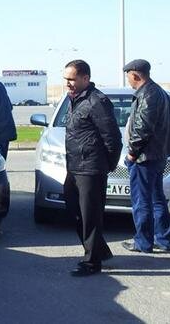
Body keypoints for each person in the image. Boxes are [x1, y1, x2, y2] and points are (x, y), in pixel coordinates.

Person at [63, 60, 122, 277]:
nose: (68, 83)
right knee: (72, 207)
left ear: (85, 78)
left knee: (90, 216)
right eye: (66, 79)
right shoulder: (75, 99)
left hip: (92, 168)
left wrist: (107, 165)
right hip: (75, 167)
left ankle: (91, 262)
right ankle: (99, 249)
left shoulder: (97, 101)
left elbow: (113, 138)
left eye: (72, 79)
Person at [121, 59, 170, 253]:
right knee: (156, 198)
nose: (129, 81)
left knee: (141, 201)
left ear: (135, 75)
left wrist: (133, 153)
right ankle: (163, 239)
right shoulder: (160, 92)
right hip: (157, 155)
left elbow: (143, 127)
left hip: (145, 157)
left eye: (129, 77)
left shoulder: (148, 94)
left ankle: (143, 242)